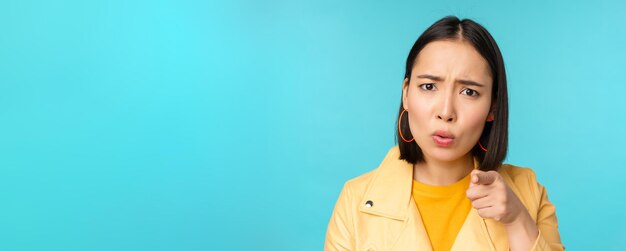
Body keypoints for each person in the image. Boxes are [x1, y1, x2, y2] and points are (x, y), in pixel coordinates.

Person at [324, 16, 564, 251]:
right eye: (429, 86)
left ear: (493, 106)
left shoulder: (528, 192)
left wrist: (517, 219)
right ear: (406, 94)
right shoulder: (355, 200)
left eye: (469, 92)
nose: (446, 112)